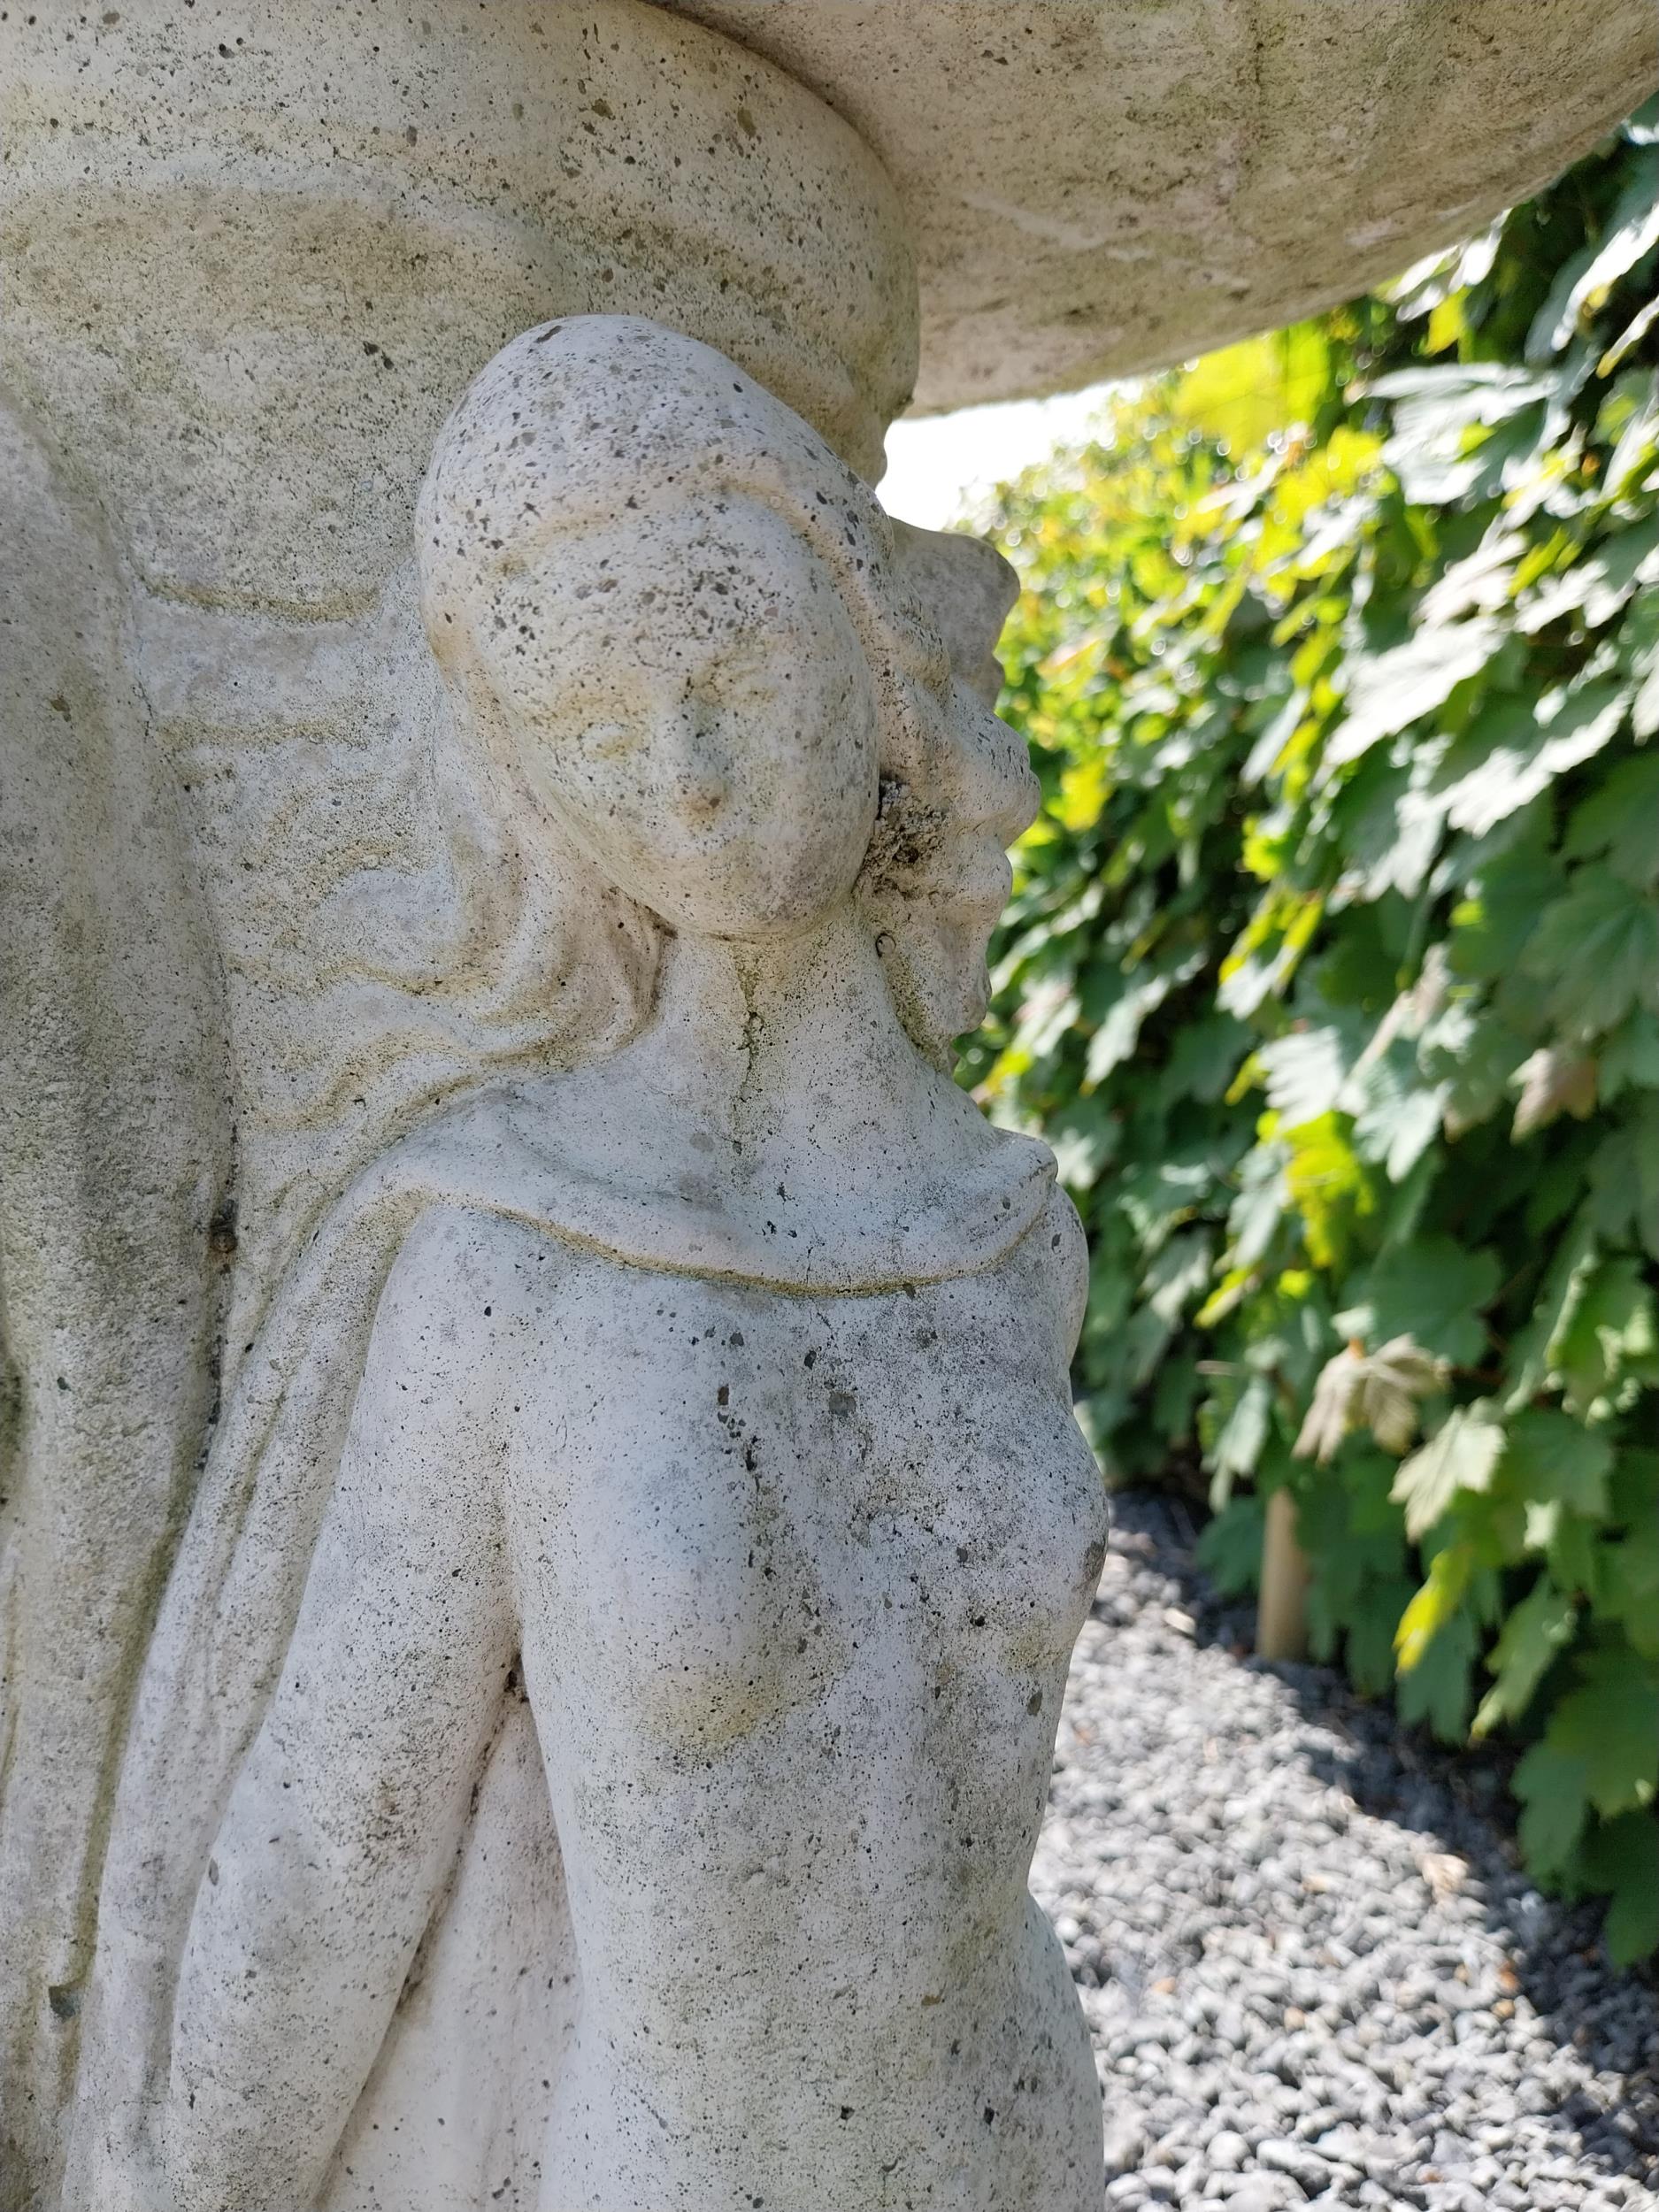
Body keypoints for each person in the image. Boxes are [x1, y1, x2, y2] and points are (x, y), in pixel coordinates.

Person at [67, 317, 1107, 2212]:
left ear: (860, 645)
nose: (683, 776)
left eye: (724, 666)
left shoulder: (1008, 1230)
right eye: (590, 729)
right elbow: (327, 1847)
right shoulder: (502, 1259)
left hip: (1020, 2141)